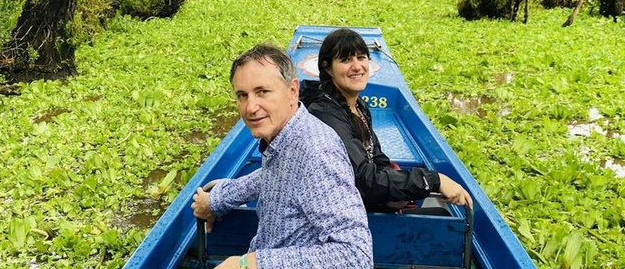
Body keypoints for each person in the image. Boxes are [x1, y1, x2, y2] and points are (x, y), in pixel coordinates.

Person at [191, 44, 373, 269]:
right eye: (242, 95)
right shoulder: (285, 137)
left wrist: (250, 264)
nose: (250, 107)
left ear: (292, 91)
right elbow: (275, 175)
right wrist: (216, 200)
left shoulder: (317, 153)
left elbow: (356, 256)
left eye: (262, 92)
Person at [301, 28, 473, 213]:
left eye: (361, 57)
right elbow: (364, 180)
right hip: (340, 211)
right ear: (328, 68)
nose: (357, 67)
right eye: (345, 60)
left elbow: (377, 159)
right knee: (440, 214)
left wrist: (396, 188)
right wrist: (433, 180)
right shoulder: (325, 116)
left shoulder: (358, 105)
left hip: (361, 201)